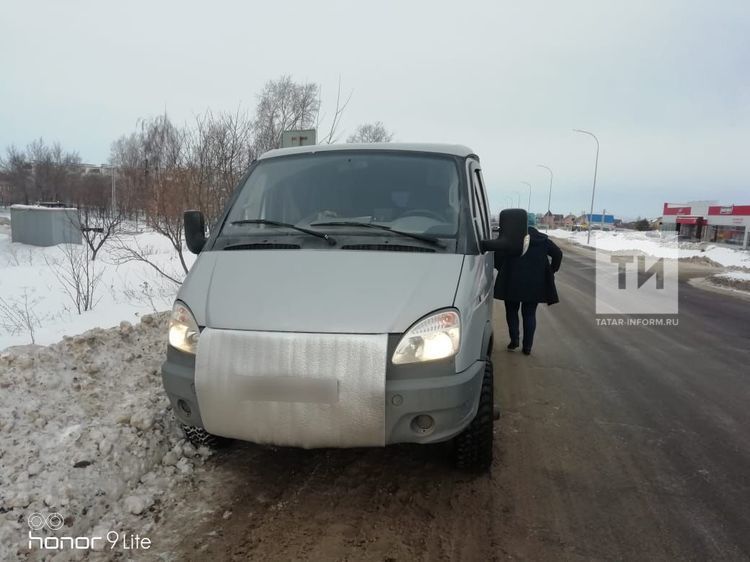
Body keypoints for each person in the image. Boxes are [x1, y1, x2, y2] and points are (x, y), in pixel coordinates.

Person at [494, 225, 562, 355]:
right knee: (530, 314)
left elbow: (497, 255)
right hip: (534, 283)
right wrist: (551, 270)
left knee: (511, 311)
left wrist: (502, 269)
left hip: (511, 281)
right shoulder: (543, 240)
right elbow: (558, 254)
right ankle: (527, 347)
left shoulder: (510, 238)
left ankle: (514, 341)